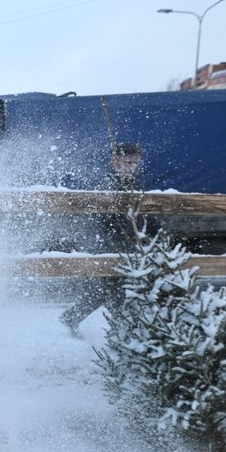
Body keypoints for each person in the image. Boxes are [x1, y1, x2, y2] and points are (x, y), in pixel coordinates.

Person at [59, 142, 145, 335]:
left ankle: (74, 317)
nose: (131, 166)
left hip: (124, 243)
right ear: (115, 162)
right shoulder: (108, 183)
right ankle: (120, 332)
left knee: (110, 288)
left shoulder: (134, 184)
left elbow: (143, 212)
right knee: (116, 288)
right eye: (127, 162)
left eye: (134, 162)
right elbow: (102, 216)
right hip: (108, 242)